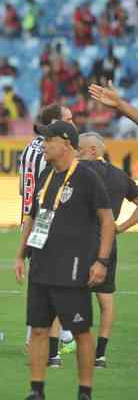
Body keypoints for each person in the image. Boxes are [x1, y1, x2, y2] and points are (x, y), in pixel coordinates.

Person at [15, 121, 114, 400]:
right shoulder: (46, 175)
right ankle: (37, 390)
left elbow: (107, 220)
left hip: (72, 267)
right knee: (38, 330)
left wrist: (102, 261)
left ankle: (84, 392)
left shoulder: (87, 176)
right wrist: (20, 255)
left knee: (81, 331)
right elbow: (32, 218)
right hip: (41, 265)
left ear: (66, 143)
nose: (43, 145)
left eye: (48, 140)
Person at [19, 103, 76, 360]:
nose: (72, 123)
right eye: (68, 119)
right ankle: (49, 338)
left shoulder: (28, 150)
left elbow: (24, 190)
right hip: (46, 222)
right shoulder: (51, 151)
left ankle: (52, 335)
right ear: (55, 123)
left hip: (29, 220)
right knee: (54, 281)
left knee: (41, 281)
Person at [77, 132, 138, 369]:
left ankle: (53, 354)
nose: (76, 153)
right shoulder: (120, 176)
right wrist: (121, 227)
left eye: (79, 149)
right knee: (106, 301)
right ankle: (100, 355)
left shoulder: (76, 172)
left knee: (61, 293)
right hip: (107, 244)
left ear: (93, 150)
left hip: (77, 242)